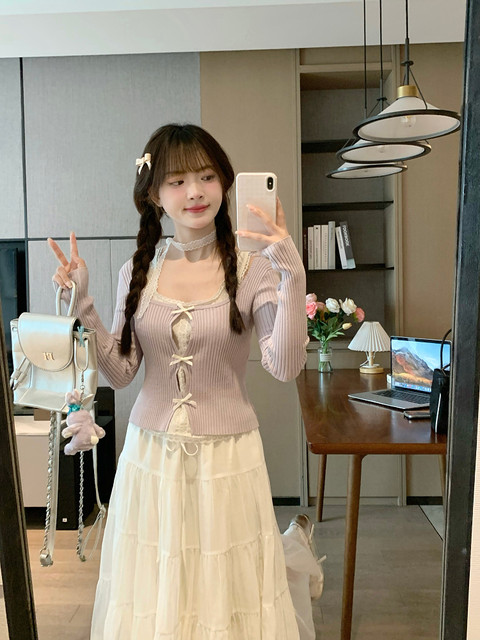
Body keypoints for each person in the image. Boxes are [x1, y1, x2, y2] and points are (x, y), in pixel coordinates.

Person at [48, 123, 323, 640]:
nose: (195, 191)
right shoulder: (139, 270)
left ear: (224, 182)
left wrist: (292, 272)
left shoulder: (255, 268)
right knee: (157, 593)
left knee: (227, 595)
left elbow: (285, 366)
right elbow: (122, 372)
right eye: (177, 181)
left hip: (229, 460)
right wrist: (83, 304)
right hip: (150, 458)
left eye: (206, 176)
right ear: (155, 195)